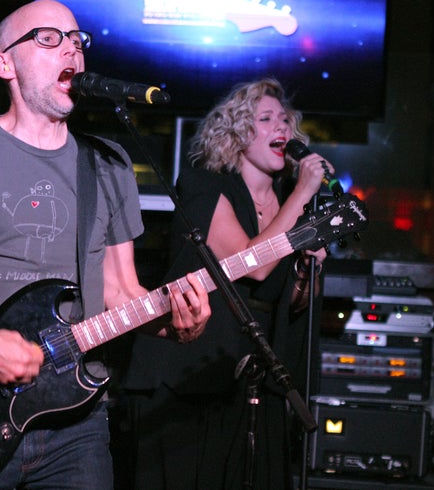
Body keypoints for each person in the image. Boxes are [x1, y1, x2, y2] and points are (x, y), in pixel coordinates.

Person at [0, 0, 210, 489]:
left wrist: (175, 323)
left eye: (77, 40)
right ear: (4, 64)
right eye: (49, 38)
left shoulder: (109, 163)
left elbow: (120, 292)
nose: (71, 50)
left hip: (76, 425)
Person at [120, 78, 332, 489]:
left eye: (285, 120)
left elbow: (293, 301)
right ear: (236, 134)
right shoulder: (204, 185)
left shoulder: (291, 203)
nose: (281, 128)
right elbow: (251, 265)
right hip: (191, 374)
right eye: (266, 119)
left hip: (257, 374)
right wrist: (304, 191)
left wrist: (308, 270)